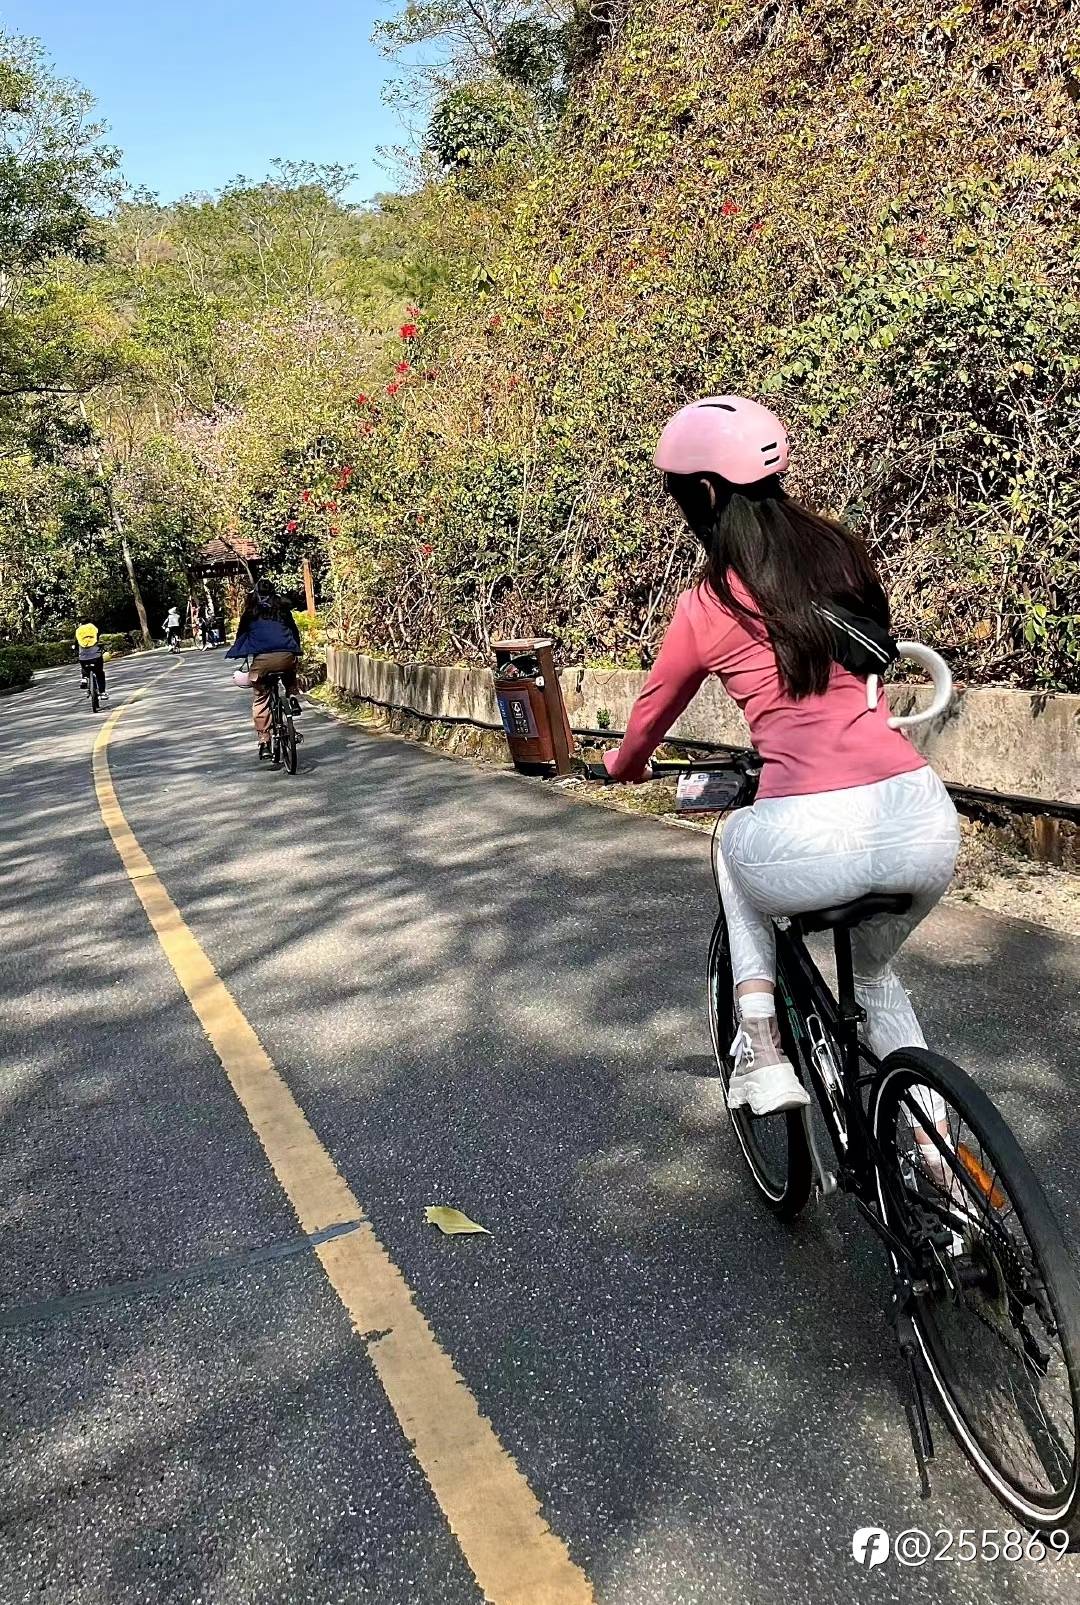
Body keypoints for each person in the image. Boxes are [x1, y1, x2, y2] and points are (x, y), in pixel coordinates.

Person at [603, 396, 960, 1119]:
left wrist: (625, 765)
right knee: (875, 976)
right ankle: (940, 1155)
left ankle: (762, 1050)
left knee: (733, 840)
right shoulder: (843, 556)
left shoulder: (709, 603)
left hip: (810, 835)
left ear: (706, 493)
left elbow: (650, 717)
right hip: (923, 822)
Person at [225, 578, 303, 758]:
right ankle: (292, 697)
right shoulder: (283, 610)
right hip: (286, 655)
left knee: (261, 697)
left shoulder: (250, 613)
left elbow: (241, 636)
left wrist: (242, 651)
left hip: (263, 662)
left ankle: (264, 741)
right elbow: (294, 632)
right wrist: (296, 650)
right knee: (289, 670)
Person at [74, 623, 107, 701]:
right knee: (100, 673)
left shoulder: (79, 631)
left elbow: (75, 644)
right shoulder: (94, 629)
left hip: (83, 657)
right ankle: (102, 693)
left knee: (84, 667)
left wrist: (75, 649)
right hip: (96, 656)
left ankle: (84, 678)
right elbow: (99, 640)